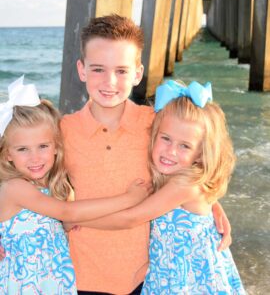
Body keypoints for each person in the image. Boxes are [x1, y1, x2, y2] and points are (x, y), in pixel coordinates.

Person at [60, 14, 233, 294]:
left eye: (122, 70)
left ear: (138, 73)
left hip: (146, 277)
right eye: (98, 69)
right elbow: (23, 174)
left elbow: (188, 162)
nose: (110, 81)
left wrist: (210, 204)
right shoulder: (62, 131)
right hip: (81, 276)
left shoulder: (156, 125)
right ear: (81, 69)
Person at [67, 80, 246, 294]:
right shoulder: (170, 176)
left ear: (200, 153)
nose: (171, 151)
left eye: (184, 146)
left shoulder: (184, 183)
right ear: (155, 135)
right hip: (170, 272)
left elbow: (131, 218)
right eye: (166, 139)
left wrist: (76, 218)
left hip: (191, 278)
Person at [0, 76, 151, 294]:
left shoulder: (51, 188)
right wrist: (128, 199)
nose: (34, 157)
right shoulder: (15, 187)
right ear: (7, 156)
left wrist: (64, 226)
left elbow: (56, 220)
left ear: (55, 147)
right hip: (24, 283)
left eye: (42, 146)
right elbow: (66, 211)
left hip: (53, 282)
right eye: (23, 149)